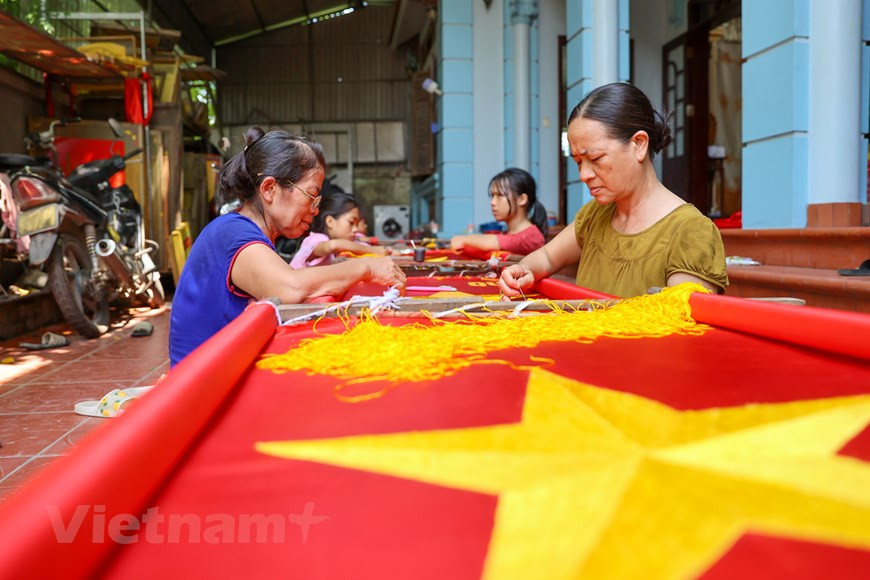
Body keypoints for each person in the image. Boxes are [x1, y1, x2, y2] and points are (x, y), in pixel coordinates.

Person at [169, 127, 405, 367]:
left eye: (318, 201)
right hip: (201, 383)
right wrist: (366, 267)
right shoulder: (232, 231)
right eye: (311, 196)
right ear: (270, 189)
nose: (315, 210)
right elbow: (289, 287)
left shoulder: (251, 234)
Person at [499, 82, 728, 299]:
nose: (584, 175)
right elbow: (547, 257)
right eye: (578, 161)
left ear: (638, 144)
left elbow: (678, 323)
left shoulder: (691, 231)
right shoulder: (596, 214)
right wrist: (525, 269)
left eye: (595, 158)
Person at [449, 167, 548, 255]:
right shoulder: (506, 233)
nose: (492, 202)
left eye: (500, 195)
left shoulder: (532, 238)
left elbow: (492, 242)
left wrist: (463, 239)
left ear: (522, 199)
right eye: (492, 196)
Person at [289, 192, 389, 268]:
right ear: (330, 222)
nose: (355, 229)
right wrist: (372, 250)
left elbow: (359, 243)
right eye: (351, 222)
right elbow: (334, 246)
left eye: (357, 224)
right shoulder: (315, 240)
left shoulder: (348, 239)